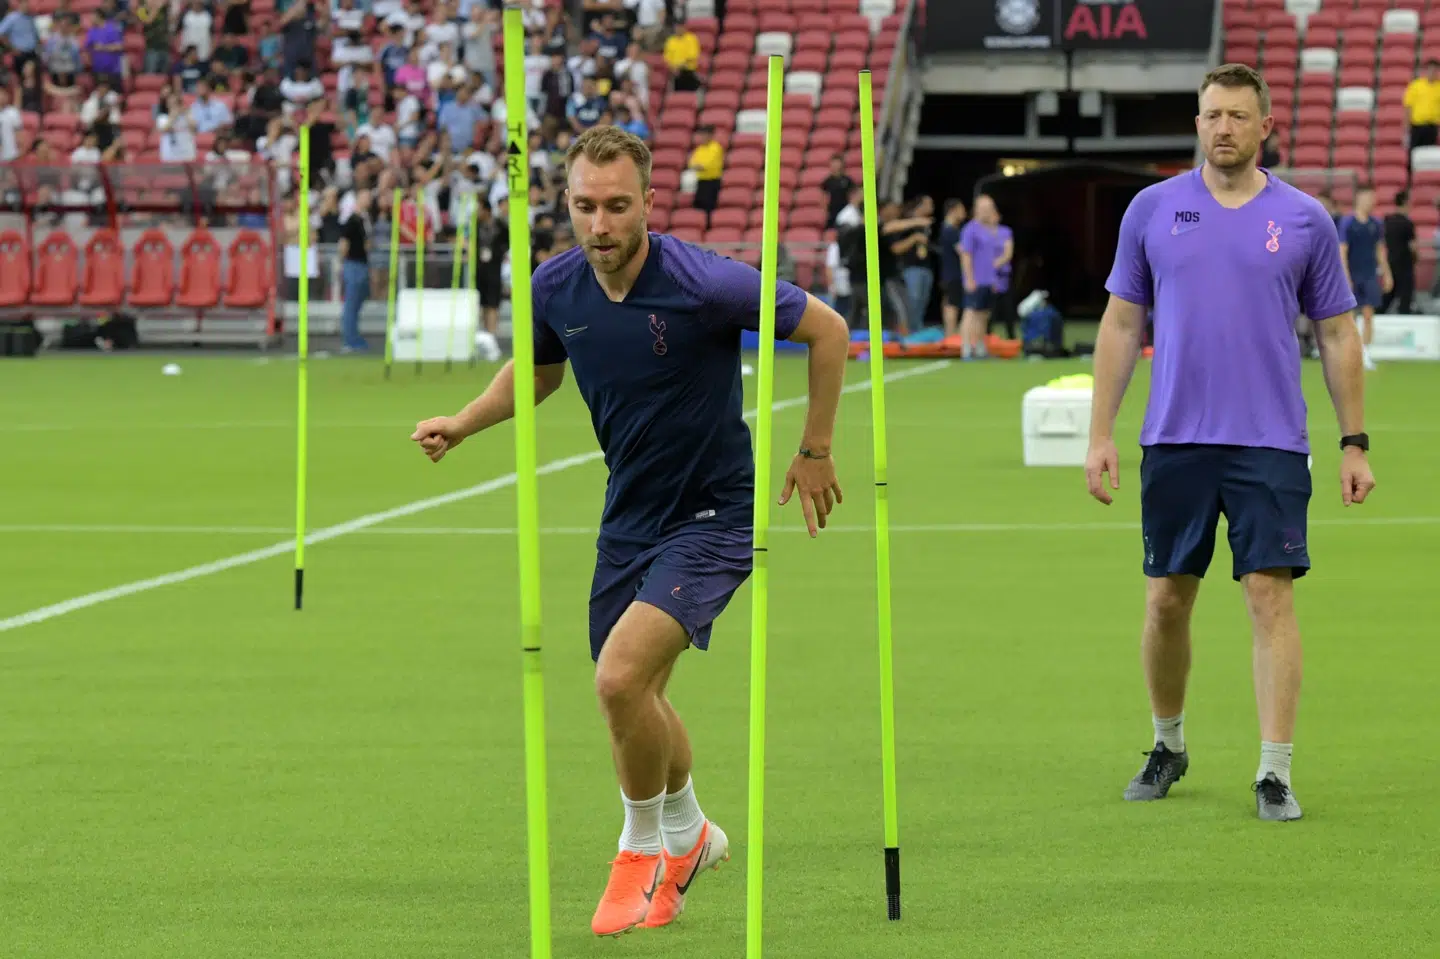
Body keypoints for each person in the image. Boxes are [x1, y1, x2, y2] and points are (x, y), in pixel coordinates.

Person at [409, 126, 851, 934]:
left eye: (618, 206)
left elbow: (827, 329)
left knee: (617, 679)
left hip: (713, 515)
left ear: (649, 202)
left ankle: (640, 845)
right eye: (585, 206)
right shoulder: (556, 286)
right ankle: (691, 834)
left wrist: (815, 449)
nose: (601, 224)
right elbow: (540, 370)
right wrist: (467, 422)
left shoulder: (704, 283)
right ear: (566, 205)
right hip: (628, 517)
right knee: (634, 699)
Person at [1085, 63, 1376, 823]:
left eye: (1238, 116)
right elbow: (1121, 324)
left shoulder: (1306, 218)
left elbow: (1338, 332)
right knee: (1165, 602)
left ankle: (1274, 771)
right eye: (1212, 114)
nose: (1223, 128)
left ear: (1265, 126)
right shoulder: (1151, 210)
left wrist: (1354, 441)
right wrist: (1099, 433)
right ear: (1197, 124)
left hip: (1270, 442)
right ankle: (1167, 742)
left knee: (1269, 596)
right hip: (1175, 437)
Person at [1337, 186, 1388, 371]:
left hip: (1369, 274)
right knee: (1349, 317)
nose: (1370, 201)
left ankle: (1365, 353)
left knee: (1368, 315)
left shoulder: (1376, 223)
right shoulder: (1348, 222)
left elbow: (1379, 249)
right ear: (1359, 199)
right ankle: (1349, 353)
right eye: (1367, 198)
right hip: (1353, 273)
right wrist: (1345, 275)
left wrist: (1386, 271)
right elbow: (1342, 250)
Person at [1382, 190, 1417, 316]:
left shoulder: (1387, 221)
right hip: (1405, 264)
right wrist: (1415, 258)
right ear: (1405, 203)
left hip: (1391, 261)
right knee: (1405, 297)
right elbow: (1413, 247)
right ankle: (1405, 317)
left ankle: (1378, 313)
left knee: (1389, 293)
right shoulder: (1407, 223)